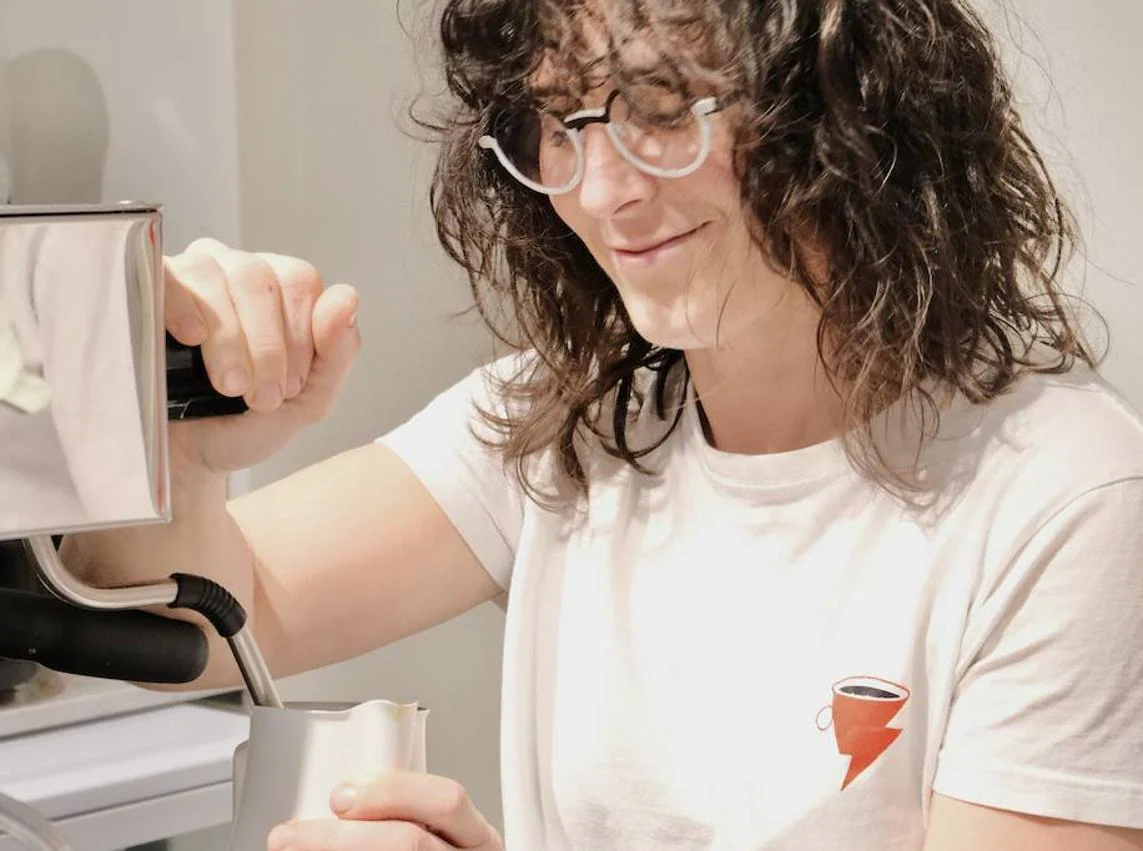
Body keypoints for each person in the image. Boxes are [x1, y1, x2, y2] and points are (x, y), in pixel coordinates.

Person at [61, 0, 1143, 849]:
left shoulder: (1064, 496)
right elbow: (196, 627)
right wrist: (185, 456)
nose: (605, 191)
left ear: (849, 104)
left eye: (664, 110)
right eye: (560, 125)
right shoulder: (561, 421)